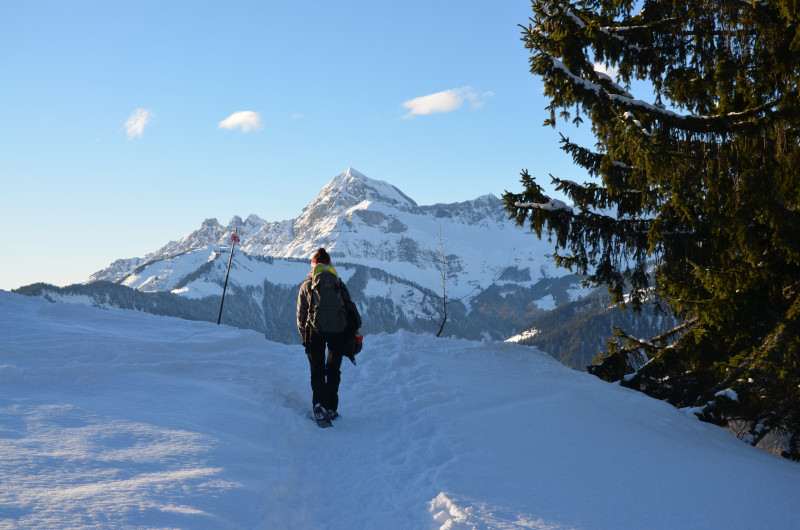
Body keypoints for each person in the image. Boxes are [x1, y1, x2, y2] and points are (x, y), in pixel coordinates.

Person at [297, 248, 361, 423]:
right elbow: (348, 308)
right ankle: (331, 407)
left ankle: (319, 405)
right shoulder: (338, 283)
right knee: (333, 369)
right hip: (338, 330)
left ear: (313, 266)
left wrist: (303, 332)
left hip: (314, 330)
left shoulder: (307, 284)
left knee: (317, 370)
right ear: (329, 264)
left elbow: (301, 313)